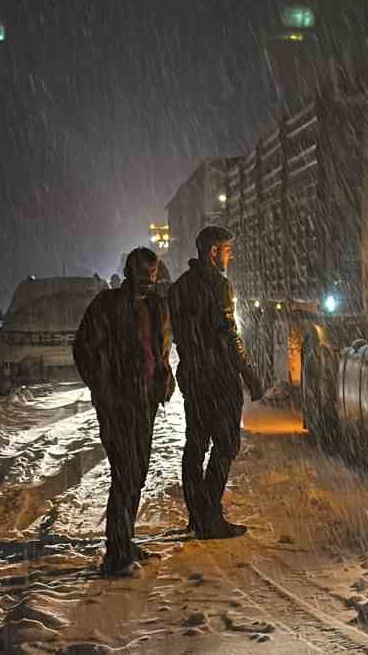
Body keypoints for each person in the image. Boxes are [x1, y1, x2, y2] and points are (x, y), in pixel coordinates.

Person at [73, 247, 174, 576]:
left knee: (139, 472)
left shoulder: (157, 306)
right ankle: (116, 553)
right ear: (130, 273)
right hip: (117, 404)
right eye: (144, 274)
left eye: (154, 274)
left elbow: (160, 349)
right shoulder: (107, 306)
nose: (149, 281)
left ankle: (126, 541)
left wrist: (164, 374)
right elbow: (84, 349)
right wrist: (105, 390)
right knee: (125, 473)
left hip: (145, 401)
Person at [168, 225, 265, 539]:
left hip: (193, 375)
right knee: (226, 444)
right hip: (218, 376)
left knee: (196, 445)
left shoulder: (179, 287)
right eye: (226, 249)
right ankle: (210, 516)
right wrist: (248, 372)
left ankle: (198, 515)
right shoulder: (219, 286)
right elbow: (228, 333)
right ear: (212, 252)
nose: (230, 255)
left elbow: (176, 336)